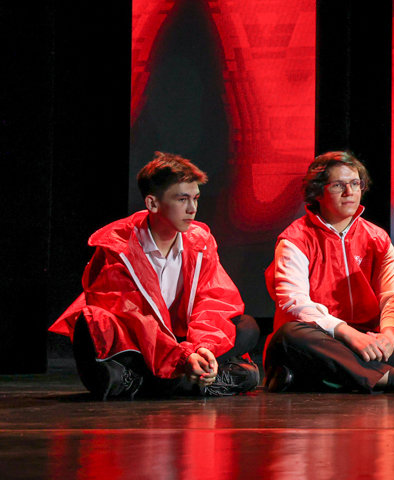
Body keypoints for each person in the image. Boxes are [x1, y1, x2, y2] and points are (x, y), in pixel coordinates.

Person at [50, 152, 260, 399]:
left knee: (246, 327)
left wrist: (202, 348)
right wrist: (183, 358)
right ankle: (184, 382)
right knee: (93, 325)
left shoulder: (200, 241)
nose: (192, 209)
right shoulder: (118, 248)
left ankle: (161, 383)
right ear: (152, 204)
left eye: (195, 198)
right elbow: (135, 319)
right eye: (182, 199)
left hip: (182, 339)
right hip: (141, 342)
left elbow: (214, 300)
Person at [264, 151, 394, 394]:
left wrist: (388, 337)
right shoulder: (295, 239)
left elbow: (393, 296)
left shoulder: (377, 238)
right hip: (320, 338)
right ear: (317, 192)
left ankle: (328, 377)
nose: (349, 192)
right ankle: (393, 379)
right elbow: (294, 304)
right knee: (289, 336)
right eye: (338, 185)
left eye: (355, 183)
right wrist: (347, 334)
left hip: (365, 339)